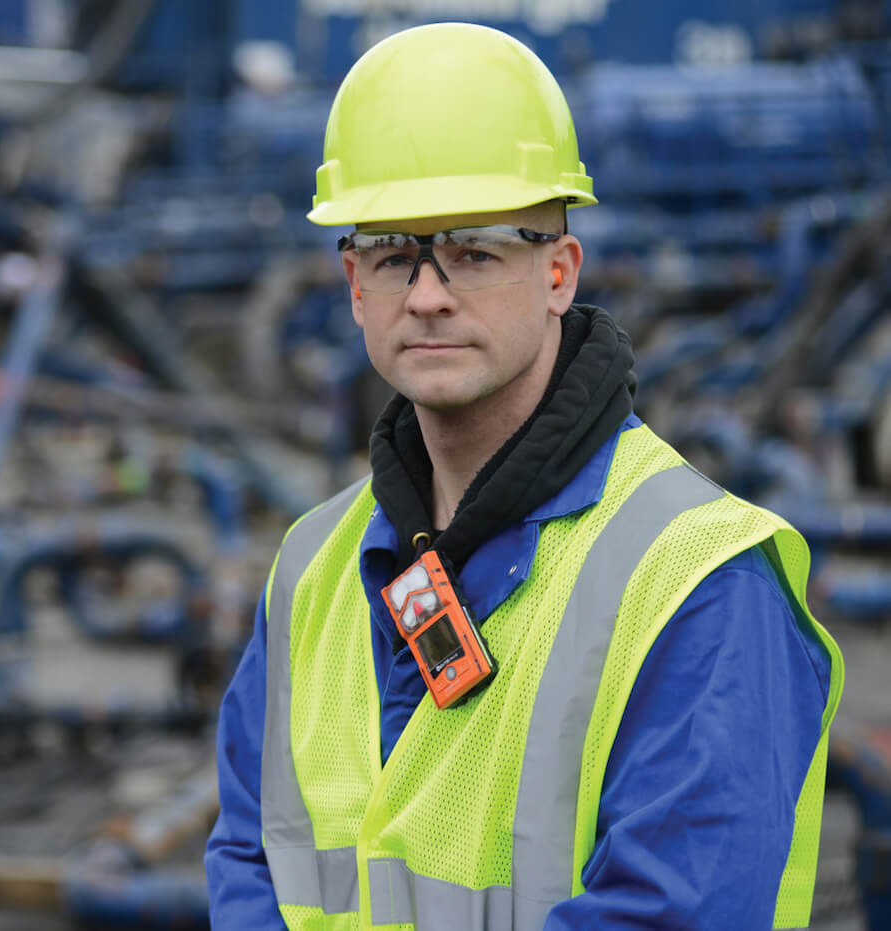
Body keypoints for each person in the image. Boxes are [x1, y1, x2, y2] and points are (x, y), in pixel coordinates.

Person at [204, 21, 844, 930]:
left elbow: (673, 912)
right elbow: (251, 854)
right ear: (353, 285)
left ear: (558, 271)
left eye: (475, 250)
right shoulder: (311, 570)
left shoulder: (698, 584)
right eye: (394, 254)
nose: (428, 294)